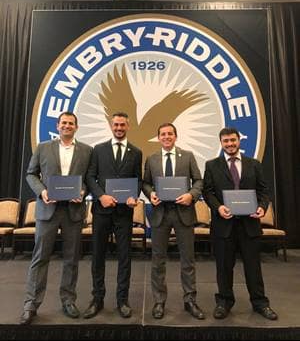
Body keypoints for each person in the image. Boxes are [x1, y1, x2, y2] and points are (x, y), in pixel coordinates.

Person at [20, 112, 92, 325]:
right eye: (64, 123)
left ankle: (68, 300)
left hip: (73, 211)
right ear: (57, 126)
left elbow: (88, 179)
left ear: (76, 127)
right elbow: (31, 174)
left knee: (71, 259)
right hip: (47, 210)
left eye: (71, 123)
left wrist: (82, 192)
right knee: (40, 258)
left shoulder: (87, 151)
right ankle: (31, 304)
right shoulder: (43, 147)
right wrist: (42, 192)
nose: (67, 126)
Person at [203, 127, 278, 320]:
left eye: (233, 140)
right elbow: (208, 192)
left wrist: (262, 207)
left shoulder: (254, 164)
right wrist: (218, 207)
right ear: (221, 143)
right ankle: (224, 302)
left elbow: (263, 191)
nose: (230, 144)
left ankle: (260, 303)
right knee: (224, 267)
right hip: (223, 225)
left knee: (253, 267)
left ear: (239, 141)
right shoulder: (212, 165)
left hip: (249, 225)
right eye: (226, 141)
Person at [83, 112, 142, 319]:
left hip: (124, 213)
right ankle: (97, 298)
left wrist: (133, 196)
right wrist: (101, 196)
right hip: (102, 211)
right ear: (111, 125)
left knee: (125, 257)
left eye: (122, 125)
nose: (119, 128)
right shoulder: (98, 150)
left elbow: (138, 180)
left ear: (128, 126)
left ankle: (122, 300)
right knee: (98, 255)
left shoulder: (136, 152)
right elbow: (90, 177)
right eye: (116, 124)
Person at [143, 123, 205, 320]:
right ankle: (159, 301)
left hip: (183, 213)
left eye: (170, 134)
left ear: (175, 137)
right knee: (157, 260)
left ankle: (190, 301)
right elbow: (145, 183)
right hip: (160, 213)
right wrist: (151, 193)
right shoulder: (151, 159)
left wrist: (191, 195)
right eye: (163, 134)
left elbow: (198, 181)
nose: (167, 137)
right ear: (158, 137)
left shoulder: (187, 156)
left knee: (188, 260)